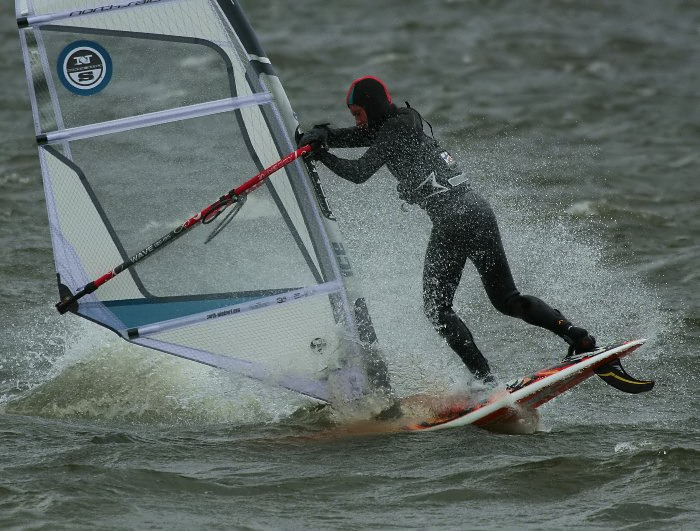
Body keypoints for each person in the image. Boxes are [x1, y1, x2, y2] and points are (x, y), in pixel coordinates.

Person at [297, 76, 596, 382]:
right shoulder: (403, 122)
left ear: (372, 108)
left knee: (437, 309)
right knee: (508, 299)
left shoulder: (392, 131)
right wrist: (326, 136)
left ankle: (485, 382)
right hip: (478, 210)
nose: (358, 122)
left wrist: (320, 153)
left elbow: (359, 172)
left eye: (359, 114)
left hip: (454, 220)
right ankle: (576, 335)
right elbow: (364, 136)